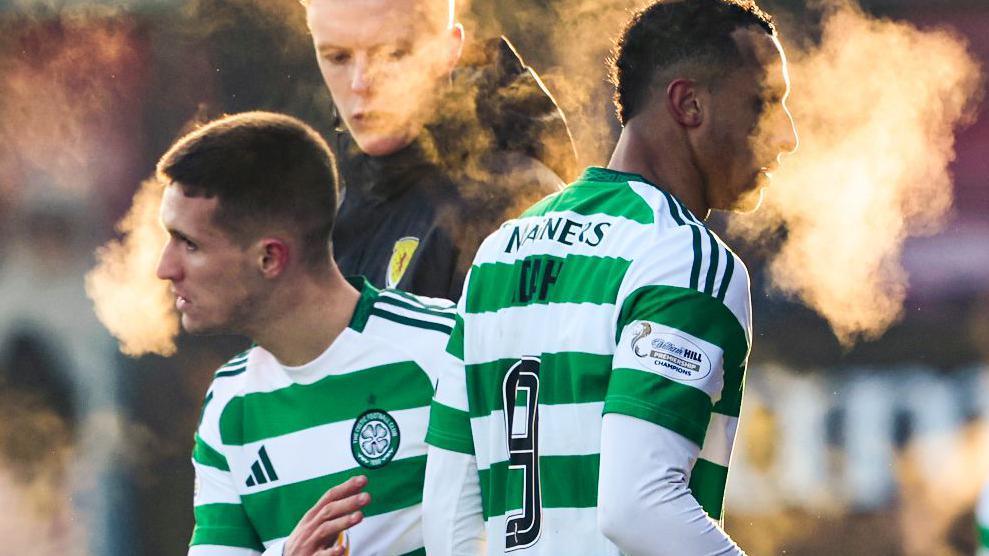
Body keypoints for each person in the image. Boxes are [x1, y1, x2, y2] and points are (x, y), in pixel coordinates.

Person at [422, 0, 798, 554]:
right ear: (689, 103)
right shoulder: (684, 258)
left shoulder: (500, 251)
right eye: (764, 103)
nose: (786, 135)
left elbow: (448, 516)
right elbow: (640, 508)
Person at [155, 111, 462, 555]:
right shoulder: (230, 406)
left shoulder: (445, 352)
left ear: (269, 258)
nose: (165, 268)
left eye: (189, 244)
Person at [303, 0, 578, 300]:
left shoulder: (514, 200)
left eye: (393, 53)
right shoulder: (330, 217)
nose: (361, 82)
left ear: (448, 51)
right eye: (337, 57)